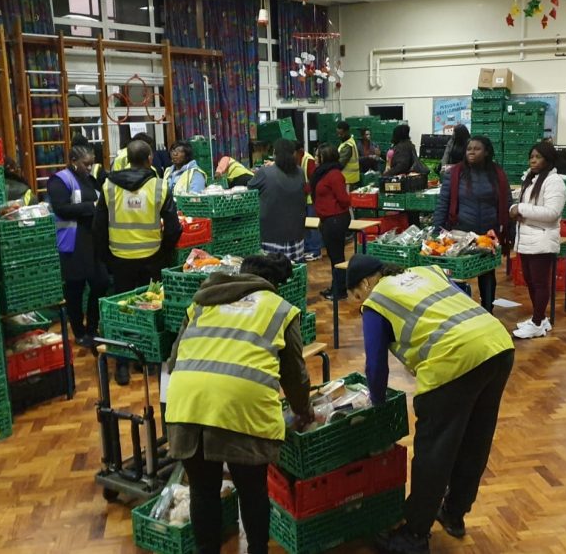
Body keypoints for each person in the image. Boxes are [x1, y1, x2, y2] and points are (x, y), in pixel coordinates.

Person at [343, 254, 514, 554]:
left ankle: (415, 534)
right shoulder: (428, 272)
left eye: (358, 296)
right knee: (475, 438)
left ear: (366, 282)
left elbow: (376, 367)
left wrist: (378, 408)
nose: (360, 304)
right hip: (497, 344)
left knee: (433, 452)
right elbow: (462, 300)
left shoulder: (378, 299)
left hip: (453, 361)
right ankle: (454, 513)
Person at [165, 253, 312, 554]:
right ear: (273, 284)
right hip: (241, 407)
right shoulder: (279, 309)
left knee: (203, 492)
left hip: (187, 403)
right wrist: (303, 411)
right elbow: (295, 376)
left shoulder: (201, 303)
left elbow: (173, 358)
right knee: (252, 490)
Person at [93, 140, 182, 385]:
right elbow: (174, 228)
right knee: (149, 309)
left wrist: (107, 257)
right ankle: (151, 361)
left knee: (121, 311)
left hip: (120, 259)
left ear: (127, 159)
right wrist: (164, 253)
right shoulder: (159, 187)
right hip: (151, 258)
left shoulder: (109, 186)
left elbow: (98, 226)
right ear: (150, 159)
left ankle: (121, 364)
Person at [433, 136, 512, 312]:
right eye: (469, 148)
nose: (471, 152)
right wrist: (436, 231)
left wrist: (508, 230)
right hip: (460, 232)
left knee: (487, 272)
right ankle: (458, 312)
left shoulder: (497, 174)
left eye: (477, 149)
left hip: (487, 234)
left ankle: (487, 310)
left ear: (486, 152)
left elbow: (506, 202)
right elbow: (443, 203)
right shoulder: (455, 174)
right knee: (457, 273)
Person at [47, 144, 110, 349]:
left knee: (100, 283)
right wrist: (90, 208)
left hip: (93, 241)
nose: (90, 168)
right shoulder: (59, 180)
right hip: (73, 242)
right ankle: (79, 331)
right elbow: (62, 209)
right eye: (86, 164)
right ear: (74, 161)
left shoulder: (91, 179)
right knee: (75, 288)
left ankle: (92, 327)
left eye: (92, 164)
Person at [510, 142, 566, 339]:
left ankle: (536, 322)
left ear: (548, 159)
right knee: (531, 282)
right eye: (531, 156)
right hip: (526, 238)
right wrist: (514, 208)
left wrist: (522, 210)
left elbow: (552, 213)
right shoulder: (531, 178)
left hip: (542, 239)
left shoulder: (554, 182)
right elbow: (522, 203)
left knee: (540, 283)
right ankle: (541, 319)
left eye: (538, 157)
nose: (533, 160)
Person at [248, 138, 307, 263]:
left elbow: (250, 189)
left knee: (273, 273)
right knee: (294, 272)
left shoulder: (265, 172)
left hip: (271, 235)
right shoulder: (300, 172)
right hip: (296, 235)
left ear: (274, 153)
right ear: (294, 153)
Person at [310, 143, 351, 301]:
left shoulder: (334, 174)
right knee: (334, 257)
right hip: (328, 219)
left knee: (336, 257)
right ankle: (337, 286)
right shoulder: (322, 173)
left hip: (335, 220)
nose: (315, 158)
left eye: (318, 155)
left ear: (325, 156)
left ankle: (340, 290)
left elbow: (343, 199)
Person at [297, 142, 323, 261]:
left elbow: (314, 180)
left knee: (313, 226)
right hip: (303, 199)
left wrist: (306, 188)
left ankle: (316, 250)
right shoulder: (298, 160)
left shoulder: (308, 160)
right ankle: (308, 248)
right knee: (306, 225)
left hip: (311, 199)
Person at [336, 120, 360, 188]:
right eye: (337, 133)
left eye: (341, 134)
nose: (339, 136)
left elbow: (340, 164)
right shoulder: (349, 141)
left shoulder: (348, 146)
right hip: (351, 178)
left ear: (347, 131)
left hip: (348, 180)